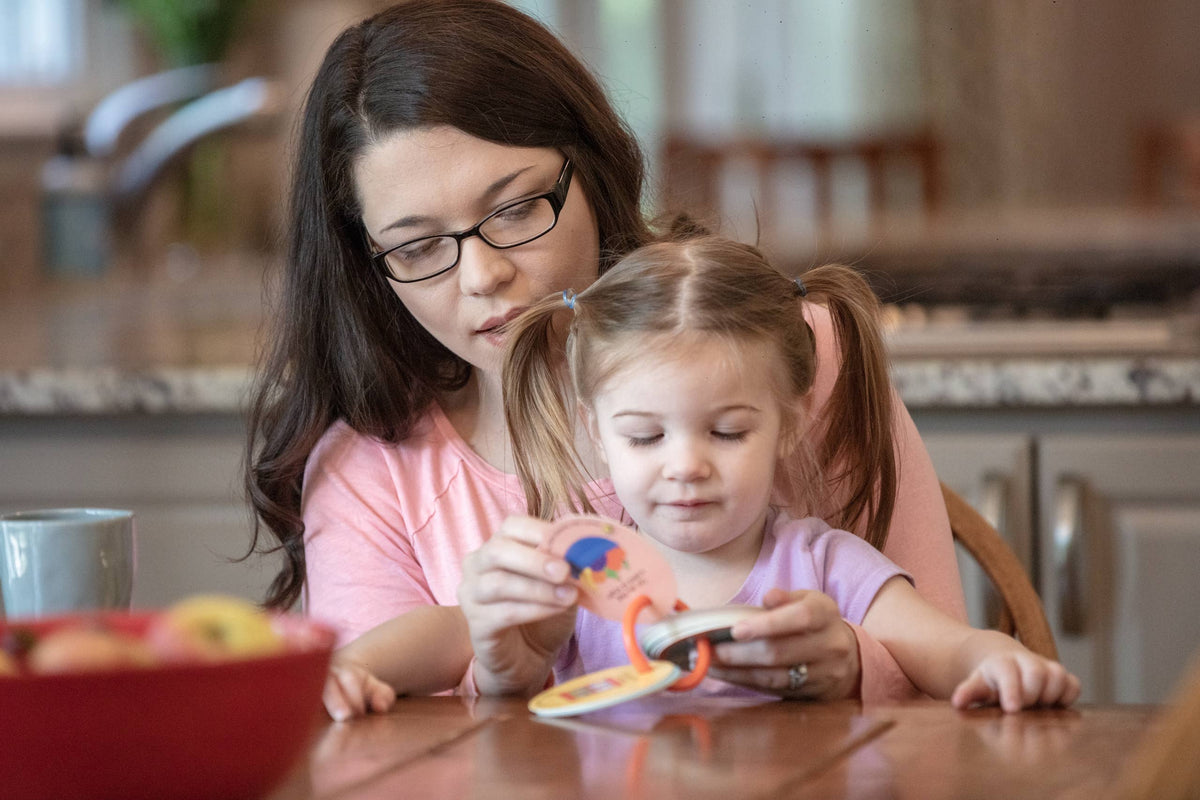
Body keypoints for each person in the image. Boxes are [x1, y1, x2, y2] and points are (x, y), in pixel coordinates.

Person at [244, 0, 966, 718]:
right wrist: (496, 676)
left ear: (591, 166)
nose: (481, 276)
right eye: (418, 248)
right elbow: (377, 745)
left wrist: (853, 665)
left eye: (517, 208)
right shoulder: (369, 476)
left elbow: (949, 663)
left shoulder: (794, 350)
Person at [329, 234, 1080, 714]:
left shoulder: (820, 563)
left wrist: (1001, 663)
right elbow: (450, 634)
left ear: (788, 424)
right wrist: (352, 667)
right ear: (598, 432)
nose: (685, 465)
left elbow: (943, 648)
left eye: (726, 431)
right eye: (645, 435)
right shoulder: (591, 567)